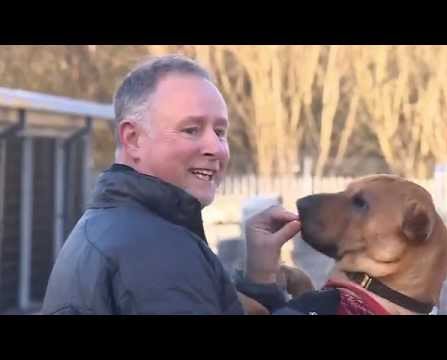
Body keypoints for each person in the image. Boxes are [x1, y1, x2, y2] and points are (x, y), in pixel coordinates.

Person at [41, 54, 333, 315]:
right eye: (191, 130)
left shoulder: (112, 225)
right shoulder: (155, 251)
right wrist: (308, 309)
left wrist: (260, 279)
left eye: (220, 131)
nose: (216, 148)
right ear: (133, 139)